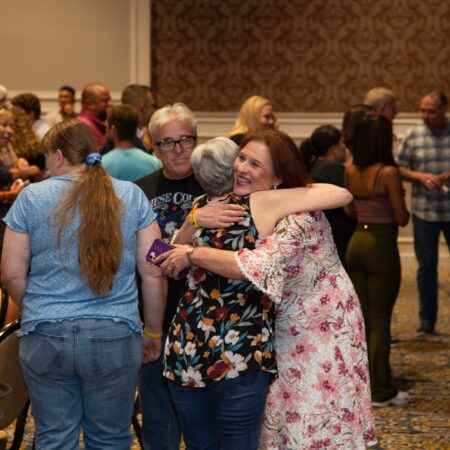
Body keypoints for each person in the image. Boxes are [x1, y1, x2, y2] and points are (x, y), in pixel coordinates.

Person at [155, 131, 375, 449]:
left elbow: (255, 265)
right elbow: (163, 257)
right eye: (241, 157)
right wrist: (192, 219)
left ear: (277, 177)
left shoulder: (295, 215)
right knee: (274, 420)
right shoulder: (209, 202)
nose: (242, 167)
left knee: (312, 419)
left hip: (313, 327)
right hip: (212, 339)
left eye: (255, 163)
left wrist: (191, 254)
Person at [1, 119, 166, 449]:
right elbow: (155, 267)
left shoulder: (30, 197)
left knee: (53, 437)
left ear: (59, 156)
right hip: (116, 334)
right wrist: (153, 331)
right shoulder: (131, 194)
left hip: (46, 335)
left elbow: (10, 274)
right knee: (110, 438)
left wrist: (37, 307)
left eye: (47, 157)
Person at [346, 114, 410, 407]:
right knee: (380, 320)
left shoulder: (350, 170)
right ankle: (381, 389)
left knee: (362, 320)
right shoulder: (387, 173)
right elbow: (401, 217)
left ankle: (361, 385)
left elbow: (351, 213)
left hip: (356, 242)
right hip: (381, 247)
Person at [397, 90, 450, 335]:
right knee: (426, 266)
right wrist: (421, 177)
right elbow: (399, 168)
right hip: (424, 211)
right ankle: (427, 320)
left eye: (431, 111)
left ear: (444, 110)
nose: (425, 115)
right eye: (423, 110)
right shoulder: (413, 134)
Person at [299, 124, 356, 265]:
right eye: (342, 143)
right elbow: (349, 210)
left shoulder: (312, 166)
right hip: (338, 236)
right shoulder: (335, 170)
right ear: (334, 149)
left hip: (318, 235)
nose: (346, 148)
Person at [103, 104, 161, 181]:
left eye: (107, 126)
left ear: (113, 129)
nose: (105, 129)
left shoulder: (102, 165)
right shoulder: (154, 163)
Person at [77, 83, 113, 149]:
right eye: (105, 100)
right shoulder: (82, 126)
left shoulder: (101, 124)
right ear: (89, 104)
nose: (110, 104)